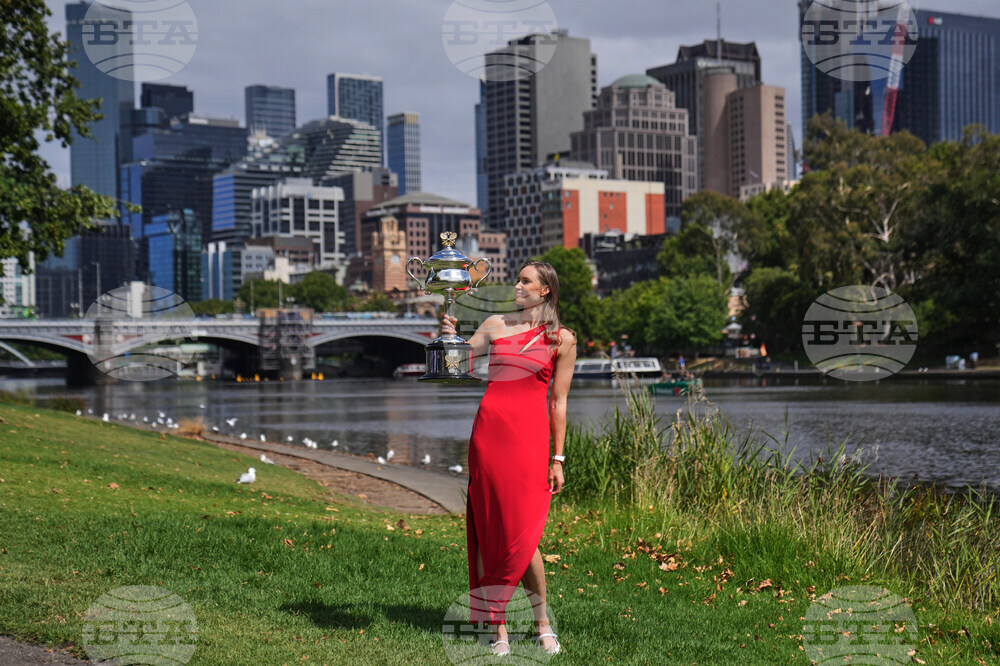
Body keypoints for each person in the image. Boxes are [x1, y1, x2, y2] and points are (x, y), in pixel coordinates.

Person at [440, 260, 576, 656]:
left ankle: (542, 623)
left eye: (525, 281)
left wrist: (558, 458)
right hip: (489, 436)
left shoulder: (562, 339)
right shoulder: (495, 325)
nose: (517, 286)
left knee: (525, 535)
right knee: (491, 529)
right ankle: (498, 628)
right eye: (517, 279)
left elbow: (560, 402)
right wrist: (449, 338)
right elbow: (458, 365)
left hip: (530, 443)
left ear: (545, 290)